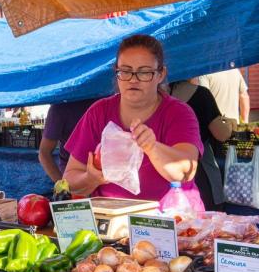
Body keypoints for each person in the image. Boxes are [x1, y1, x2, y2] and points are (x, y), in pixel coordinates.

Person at [63, 34, 203, 200]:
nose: (133, 80)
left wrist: (152, 147)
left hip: (172, 220)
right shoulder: (98, 112)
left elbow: (186, 171)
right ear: (116, 72)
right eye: (126, 71)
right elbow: (69, 179)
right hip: (113, 221)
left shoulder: (179, 113)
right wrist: (90, 179)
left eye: (144, 73)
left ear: (161, 74)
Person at [169, 80, 235, 210]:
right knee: (208, 219)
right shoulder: (201, 94)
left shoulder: (153, 98)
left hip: (167, 169)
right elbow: (221, 134)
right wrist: (230, 124)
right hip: (200, 169)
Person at [38, 98, 97, 182]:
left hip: (105, 170)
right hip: (73, 171)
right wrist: (63, 187)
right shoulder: (59, 108)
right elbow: (44, 153)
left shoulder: (107, 101)